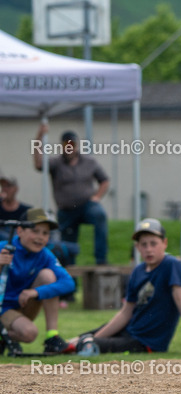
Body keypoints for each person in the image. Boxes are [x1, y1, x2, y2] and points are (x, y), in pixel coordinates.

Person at [67, 219, 181, 355]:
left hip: (146, 343)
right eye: (143, 245)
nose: (148, 249)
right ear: (137, 247)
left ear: (165, 243)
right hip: (128, 331)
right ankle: (67, 346)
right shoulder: (138, 270)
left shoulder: (172, 265)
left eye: (153, 243)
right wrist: (97, 337)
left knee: (87, 344)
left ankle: (84, 344)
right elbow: (125, 313)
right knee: (77, 340)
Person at [0, 208, 74, 356]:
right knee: (30, 333)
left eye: (45, 233)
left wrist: (36, 292)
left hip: (23, 305)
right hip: (3, 308)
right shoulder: (3, 248)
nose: (40, 237)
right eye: (35, 231)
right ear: (19, 231)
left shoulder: (45, 255)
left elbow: (68, 283)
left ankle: (52, 338)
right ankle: (5, 338)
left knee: (48, 276)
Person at [32, 126, 109, 265]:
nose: (69, 148)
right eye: (66, 145)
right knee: (68, 245)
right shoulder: (56, 163)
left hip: (87, 205)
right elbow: (38, 164)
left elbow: (104, 180)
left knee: (99, 215)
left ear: (76, 145)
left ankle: (101, 259)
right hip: (66, 210)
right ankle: (70, 273)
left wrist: (97, 196)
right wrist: (40, 137)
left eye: (72, 145)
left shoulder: (89, 162)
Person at [0, 175, 31, 244]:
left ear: (16, 189)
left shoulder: (26, 210)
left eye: (8, 186)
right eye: (3, 186)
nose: (5, 189)